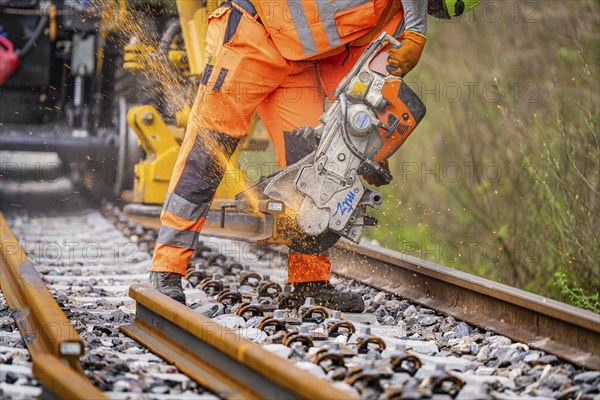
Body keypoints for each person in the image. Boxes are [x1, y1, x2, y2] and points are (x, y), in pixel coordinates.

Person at [149, 0, 481, 312]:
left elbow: (365, 85)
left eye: (436, 9)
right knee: (208, 151)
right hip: (250, 35)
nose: (429, 9)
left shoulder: (395, 24)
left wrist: (367, 147)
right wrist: (417, 31)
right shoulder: (411, 29)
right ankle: (167, 268)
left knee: (316, 169)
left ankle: (309, 281)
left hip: (300, 69)